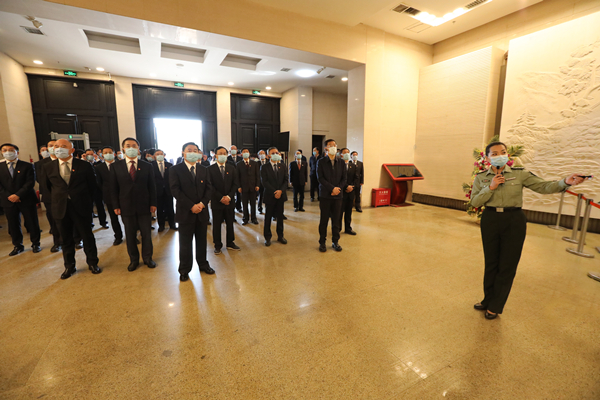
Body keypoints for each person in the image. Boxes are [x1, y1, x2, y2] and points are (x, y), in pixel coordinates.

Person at [470, 141, 586, 320]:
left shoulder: (520, 174)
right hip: (490, 219)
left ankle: (495, 305)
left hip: (513, 220)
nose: (500, 155)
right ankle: (487, 299)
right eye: (494, 153)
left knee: (507, 264)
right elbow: (475, 202)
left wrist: (565, 182)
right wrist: (490, 187)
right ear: (487, 158)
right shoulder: (481, 177)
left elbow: (543, 186)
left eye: (503, 152)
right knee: (491, 262)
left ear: (507, 154)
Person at [44, 139, 101, 279]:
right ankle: (69, 266)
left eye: (63, 146)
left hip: (81, 206)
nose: (59, 149)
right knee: (65, 238)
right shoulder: (48, 167)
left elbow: (93, 186)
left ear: (72, 150)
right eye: (56, 146)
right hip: (60, 207)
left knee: (87, 236)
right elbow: (47, 188)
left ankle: (92, 263)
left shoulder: (84, 165)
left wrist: (86, 202)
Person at [110, 137, 158, 271]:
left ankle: (148, 258)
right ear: (123, 149)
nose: (131, 148)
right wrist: (116, 205)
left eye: (134, 146)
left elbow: (152, 186)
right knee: (130, 235)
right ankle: (134, 260)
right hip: (125, 205)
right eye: (128, 146)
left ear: (138, 149)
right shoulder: (115, 166)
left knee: (146, 234)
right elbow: (113, 188)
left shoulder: (147, 166)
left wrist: (153, 203)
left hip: (144, 205)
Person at [170, 142, 214, 281]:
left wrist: (202, 204)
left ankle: (203, 264)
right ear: (183, 152)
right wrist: (191, 206)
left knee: (202, 241)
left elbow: (209, 189)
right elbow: (175, 190)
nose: (193, 152)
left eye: (195, 150)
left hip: (201, 212)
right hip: (185, 212)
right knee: (185, 243)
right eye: (189, 150)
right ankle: (184, 269)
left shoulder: (203, 169)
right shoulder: (175, 169)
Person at [0, 143, 42, 256]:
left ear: (17, 152)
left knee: (32, 222)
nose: (7, 152)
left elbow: (30, 182)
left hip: (26, 198)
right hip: (8, 200)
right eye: (4, 150)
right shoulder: (0, 167)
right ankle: (18, 245)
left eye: (11, 150)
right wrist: (11, 196)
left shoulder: (27, 166)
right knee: (13, 224)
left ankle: (35, 243)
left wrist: (18, 195)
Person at [208, 146, 240, 254]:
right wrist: (221, 198)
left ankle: (230, 242)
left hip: (229, 201)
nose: (222, 155)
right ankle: (217, 245)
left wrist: (229, 197)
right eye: (220, 153)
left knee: (230, 223)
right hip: (217, 201)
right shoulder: (210, 169)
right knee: (217, 224)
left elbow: (235, 184)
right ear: (216, 155)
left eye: (224, 153)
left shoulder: (231, 168)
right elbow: (210, 186)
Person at [317, 139, 346, 252]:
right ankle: (322, 242)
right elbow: (320, 178)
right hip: (325, 195)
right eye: (330, 145)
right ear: (326, 148)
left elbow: (344, 178)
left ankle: (335, 241)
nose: (333, 147)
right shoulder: (321, 162)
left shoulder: (341, 162)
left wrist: (337, 189)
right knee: (324, 220)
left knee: (336, 220)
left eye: (335, 145)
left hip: (338, 196)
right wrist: (331, 188)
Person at [36, 141, 62, 252]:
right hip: (50, 195)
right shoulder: (40, 164)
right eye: (51, 146)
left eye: (57, 145)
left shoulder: (67, 160)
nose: (54, 148)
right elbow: (41, 180)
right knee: (54, 220)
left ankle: (76, 239)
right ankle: (57, 242)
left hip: (67, 196)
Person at [95, 146, 124, 246]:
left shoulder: (121, 164)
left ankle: (131, 236)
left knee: (127, 218)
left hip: (123, 194)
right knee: (113, 217)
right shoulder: (99, 167)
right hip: (109, 196)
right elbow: (99, 183)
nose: (108, 154)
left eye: (110, 152)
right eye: (105, 152)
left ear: (114, 154)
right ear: (102, 155)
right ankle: (118, 236)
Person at [261, 147, 288, 246]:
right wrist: (274, 192)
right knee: (268, 217)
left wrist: (281, 191)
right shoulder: (264, 167)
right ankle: (267, 237)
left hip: (281, 195)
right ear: (268, 156)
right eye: (273, 153)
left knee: (280, 217)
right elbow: (264, 182)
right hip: (270, 195)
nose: (276, 154)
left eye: (277, 152)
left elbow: (286, 180)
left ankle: (280, 236)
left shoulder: (283, 166)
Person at [152, 149, 176, 232]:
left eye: (161, 154)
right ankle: (161, 226)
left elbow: (173, 178)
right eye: (157, 154)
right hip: (157, 191)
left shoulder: (169, 165)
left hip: (168, 191)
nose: (159, 155)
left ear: (164, 155)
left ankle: (172, 224)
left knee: (170, 208)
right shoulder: (151, 165)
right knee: (160, 209)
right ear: (154, 156)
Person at [84, 149, 108, 229]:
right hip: (87, 189)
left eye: (92, 154)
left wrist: (97, 159)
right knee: (88, 207)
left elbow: (103, 169)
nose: (90, 156)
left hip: (97, 188)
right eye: (88, 154)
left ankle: (103, 222)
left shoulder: (98, 163)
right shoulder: (83, 164)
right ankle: (90, 223)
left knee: (100, 206)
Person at [236, 148, 260, 225]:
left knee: (253, 204)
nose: (246, 153)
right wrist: (239, 186)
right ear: (241, 154)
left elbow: (257, 175)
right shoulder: (239, 164)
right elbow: (237, 177)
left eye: (247, 152)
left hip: (253, 186)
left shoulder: (254, 163)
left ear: (249, 153)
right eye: (244, 152)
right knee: (244, 204)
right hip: (243, 187)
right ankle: (245, 218)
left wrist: (257, 185)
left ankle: (254, 218)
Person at [339, 148, 359, 235]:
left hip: (351, 192)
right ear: (341, 155)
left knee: (349, 212)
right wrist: (346, 187)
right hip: (341, 192)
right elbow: (338, 179)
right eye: (345, 152)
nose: (347, 154)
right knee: (339, 212)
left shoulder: (353, 165)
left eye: (348, 152)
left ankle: (348, 228)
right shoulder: (338, 165)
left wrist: (352, 187)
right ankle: (338, 228)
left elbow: (356, 178)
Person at [227, 145, 243, 213]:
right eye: (232, 149)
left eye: (235, 149)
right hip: (230, 178)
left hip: (239, 178)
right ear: (229, 151)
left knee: (239, 194)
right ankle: (231, 208)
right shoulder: (227, 158)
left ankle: (239, 207)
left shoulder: (240, 158)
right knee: (231, 194)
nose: (233, 150)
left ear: (237, 150)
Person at [257, 149, 268, 214]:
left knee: (268, 196)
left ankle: (268, 209)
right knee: (260, 196)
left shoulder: (268, 162)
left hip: (267, 182)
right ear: (258, 156)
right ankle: (259, 208)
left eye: (263, 153)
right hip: (260, 182)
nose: (262, 155)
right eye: (260, 154)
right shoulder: (256, 163)